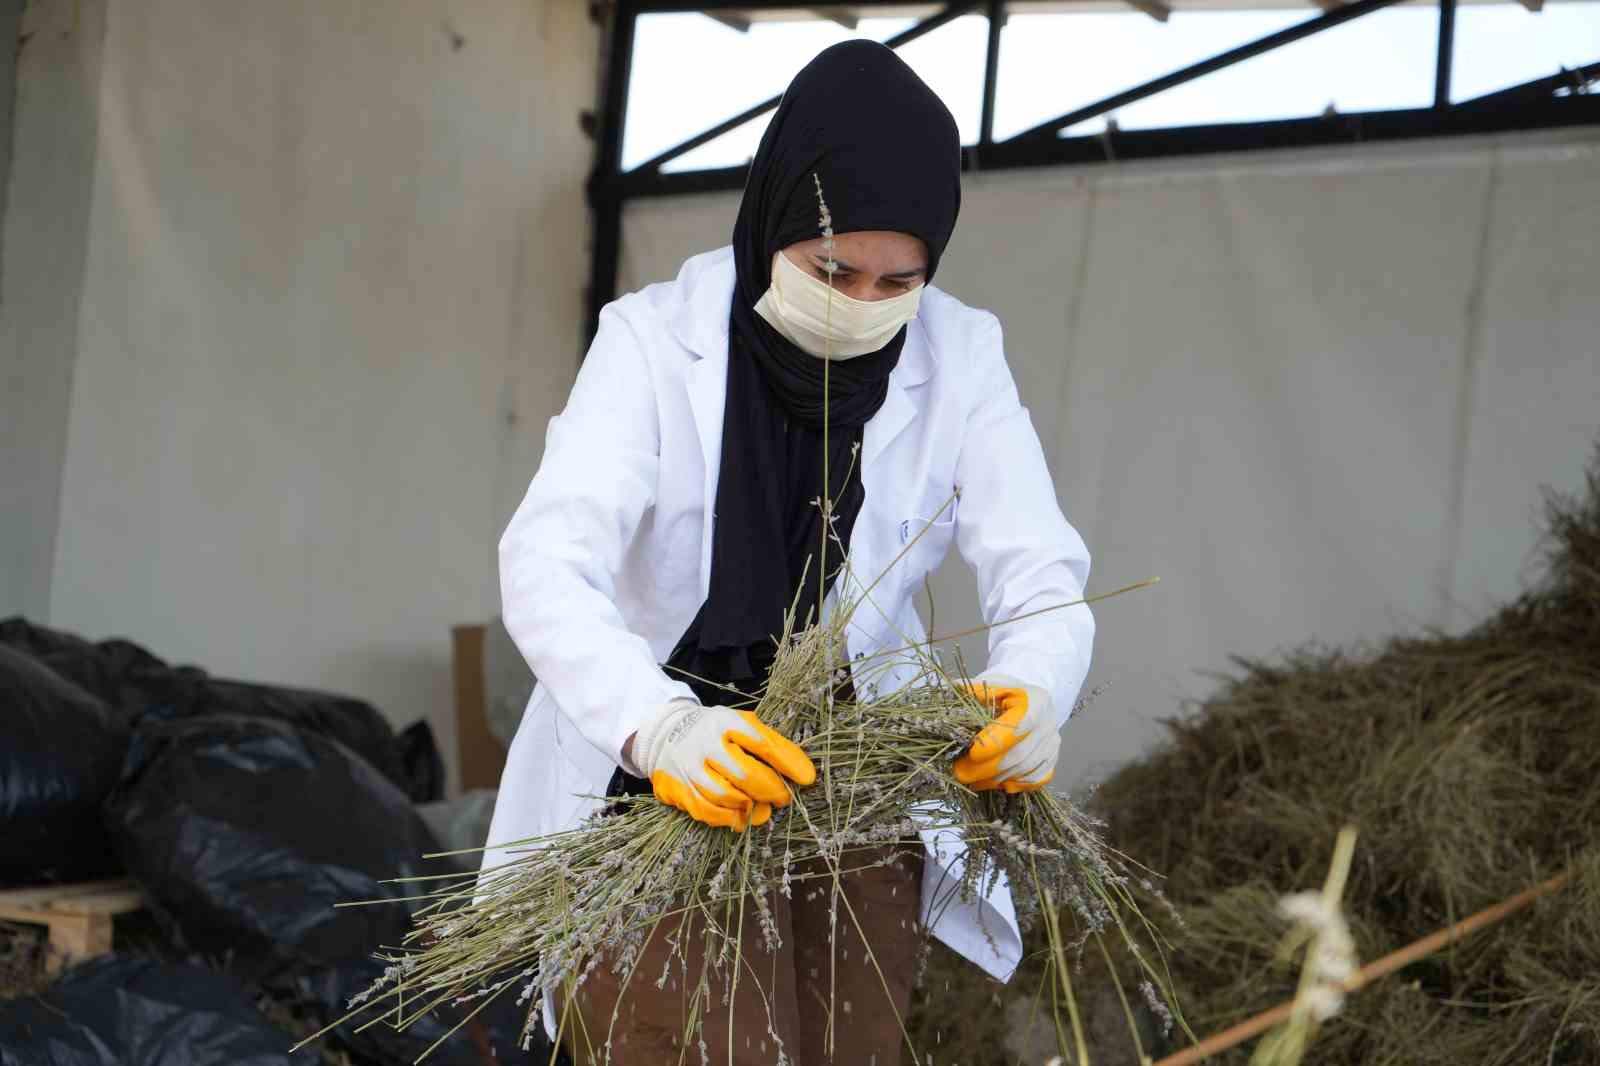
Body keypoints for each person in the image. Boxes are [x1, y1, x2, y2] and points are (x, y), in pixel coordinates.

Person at [485, 40, 1094, 1065]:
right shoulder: (650, 343)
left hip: (846, 787)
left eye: (897, 279)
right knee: (684, 1039)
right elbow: (547, 561)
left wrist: (1035, 688)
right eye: (830, 271)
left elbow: (1041, 573)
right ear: (775, 217)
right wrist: (661, 726)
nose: (862, 304)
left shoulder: (960, 354)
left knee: (849, 1040)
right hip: (662, 792)